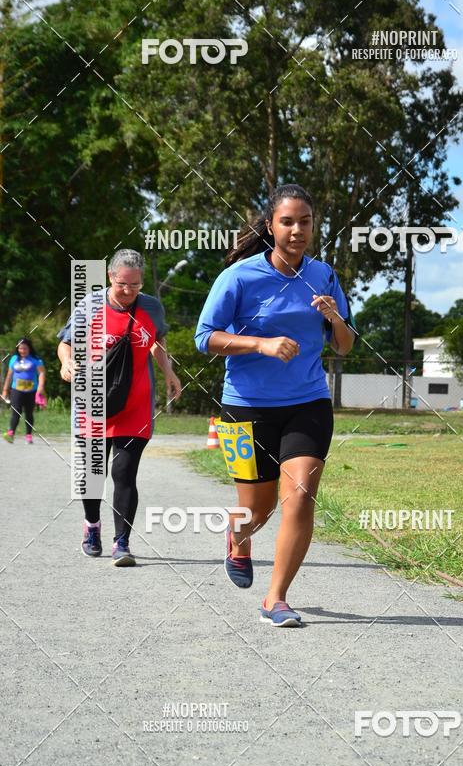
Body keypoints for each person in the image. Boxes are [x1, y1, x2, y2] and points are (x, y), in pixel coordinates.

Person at [195, 183, 356, 627]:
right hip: (244, 408)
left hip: (308, 402)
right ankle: (238, 537)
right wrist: (260, 345)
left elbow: (343, 346)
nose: (297, 230)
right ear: (271, 225)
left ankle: (276, 597)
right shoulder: (240, 277)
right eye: (288, 221)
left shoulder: (324, 275)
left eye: (305, 222)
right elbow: (204, 337)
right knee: (256, 509)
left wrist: (335, 318)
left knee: (301, 496)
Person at [57, 249, 182, 566]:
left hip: (135, 405)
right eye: (122, 284)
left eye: (135, 285)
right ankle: (92, 527)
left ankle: (122, 542)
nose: (128, 291)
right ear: (110, 277)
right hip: (94, 401)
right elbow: (66, 342)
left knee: (124, 472)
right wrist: (66, 362)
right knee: (93, 474)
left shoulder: (151, 307)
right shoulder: (89, 305)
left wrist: (169, 373)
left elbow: (157, 341)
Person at [2, 338, 46, 444]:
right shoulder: (14, 359)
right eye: (20, 348)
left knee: (29, 413)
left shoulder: (36, 360)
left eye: (25, 348)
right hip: (16, 390)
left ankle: (28, 435)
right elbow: (9, 375)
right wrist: (5, 390)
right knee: (16, 412)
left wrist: (40, 387)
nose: (22, 350)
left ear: (29, 348)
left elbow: (41, 373)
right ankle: (11, 433)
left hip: (31, 391)